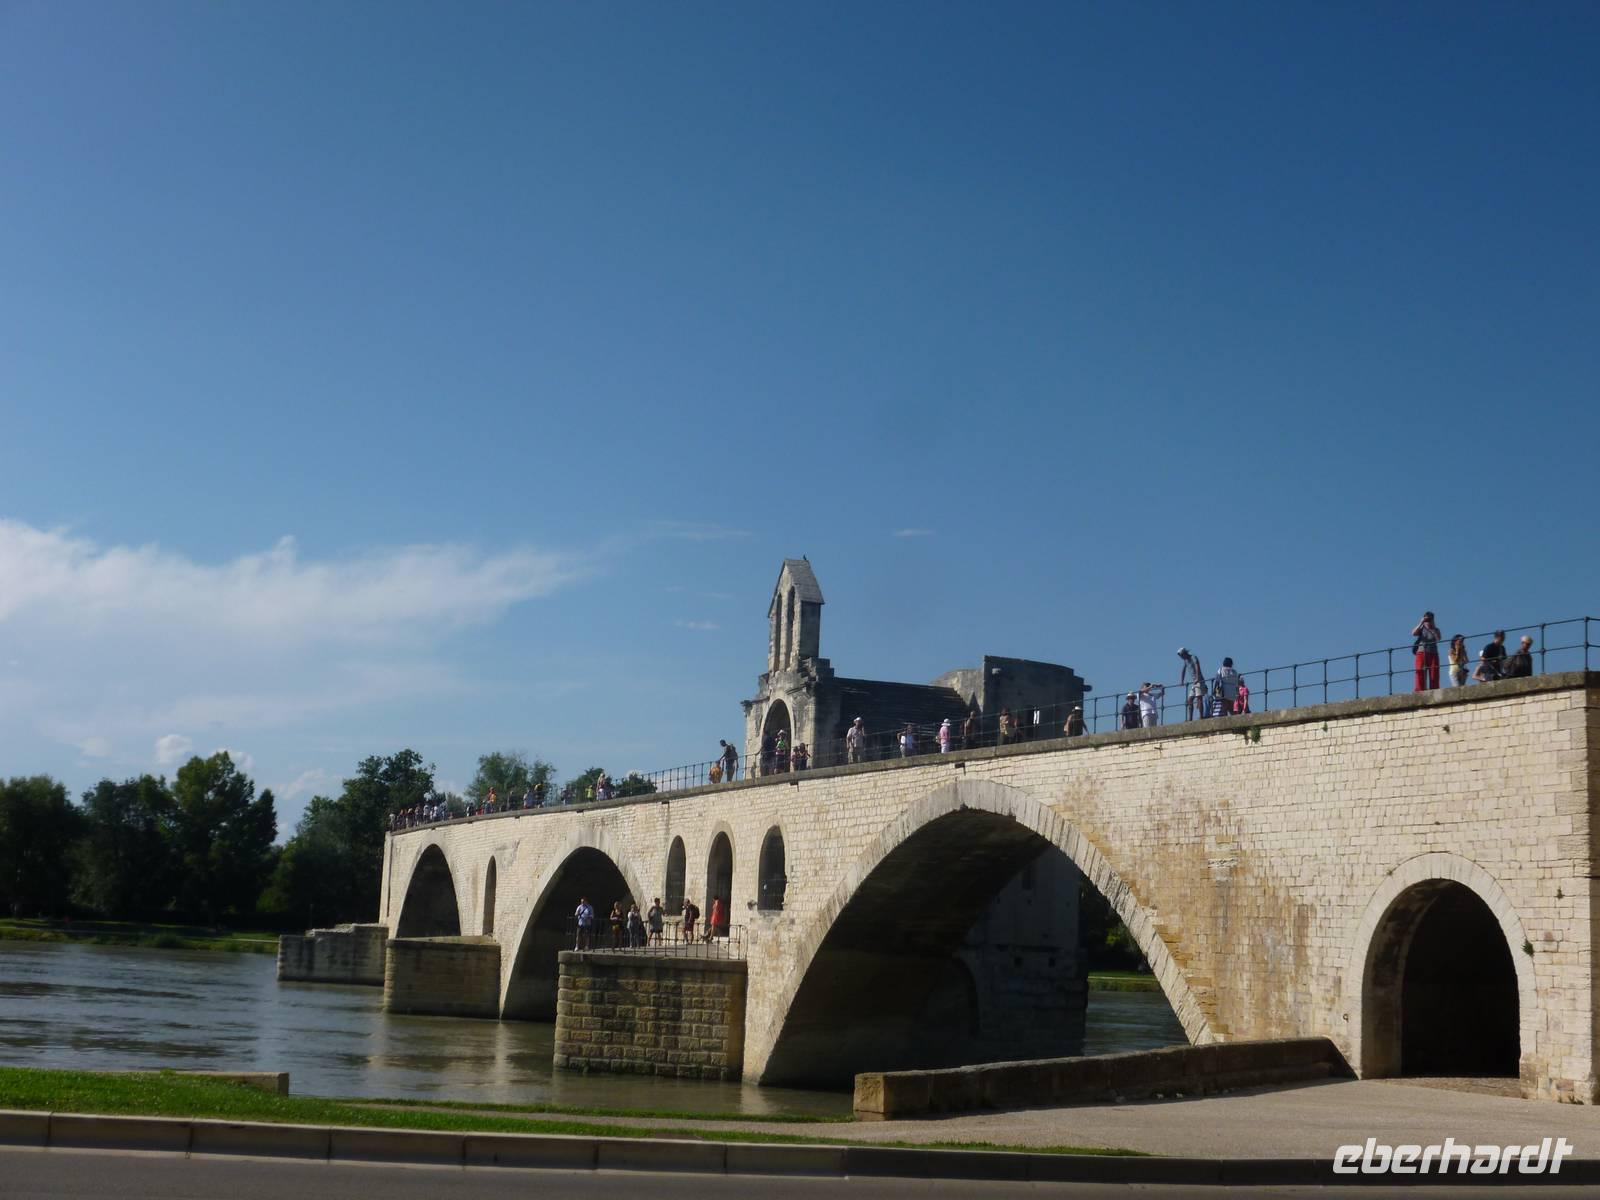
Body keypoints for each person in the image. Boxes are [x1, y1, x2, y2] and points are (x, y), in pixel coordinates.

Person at [1412, 612, 1443, 691]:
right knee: (1420, 671)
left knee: (1434, 673)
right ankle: (1419, 689)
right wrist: (1421, 622)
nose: (1428, 621)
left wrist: (1432, 628)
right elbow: (1413, 633)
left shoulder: (1436, 629)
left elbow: (1438, 638)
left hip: (1433, 653)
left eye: (1429, 619)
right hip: (1421, 652)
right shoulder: (1421, 628)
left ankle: (1434, 689)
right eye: (1426, 619)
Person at [1178, 648, 1206, 720]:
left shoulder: (1193, 657)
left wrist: (1197, 678)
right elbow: (1183, 670)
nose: (1181, 657)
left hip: (1199, 681)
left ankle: (1201, 717)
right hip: (1194, 682)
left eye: (1181, 655)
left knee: (1199, 698)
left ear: (1185, 653)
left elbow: (1197, 667)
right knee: (1190, 700)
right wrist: (1181, 681)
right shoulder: (1185, 660)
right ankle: (1190, 718)